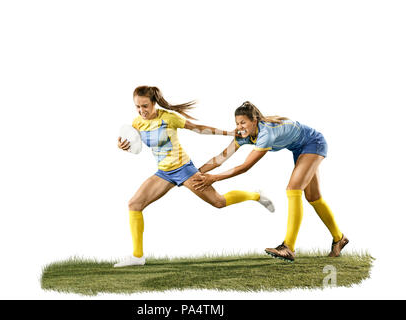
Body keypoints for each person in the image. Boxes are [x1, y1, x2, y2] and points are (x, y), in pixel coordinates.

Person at [114, 87, 274, 267]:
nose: (142, 111)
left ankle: (256, 195)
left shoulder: (168, 118)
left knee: (219, 202)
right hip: (164, 172)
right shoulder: (137, 123)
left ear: (154, 103)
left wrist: (228, 133)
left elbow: (198, 129)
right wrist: (123, 146)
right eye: (137, 107)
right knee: (134, 204)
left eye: (145, 106)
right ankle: (137, 257)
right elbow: (133, 145)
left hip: (184, 169)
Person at [193, 101, 348, 262]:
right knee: (313, 197)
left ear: (255, 121)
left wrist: (214, 178)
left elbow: (245, 166)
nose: (239, 127)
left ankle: (288, 247)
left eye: (243, 122)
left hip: (313, 143)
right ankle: (339, 238)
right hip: (299, 148)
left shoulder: (265, 134)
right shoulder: (244, 136)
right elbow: (220, 159)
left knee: (293, 189)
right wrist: (196, 173)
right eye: (237, 123)